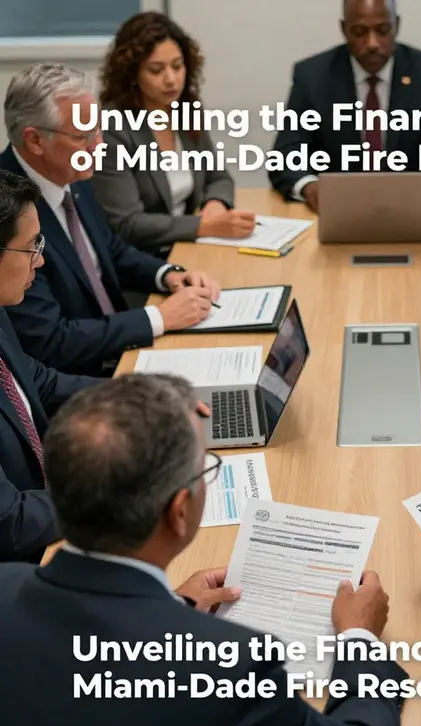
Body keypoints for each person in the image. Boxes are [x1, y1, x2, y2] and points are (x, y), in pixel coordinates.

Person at [0, 373, 406, 726]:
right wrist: (359, 639)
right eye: (204, 469)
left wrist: (175, 606)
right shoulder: (230, 667)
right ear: (179, 511)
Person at [0, 63, 222, 377]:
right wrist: (158, 318)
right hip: (79, 377)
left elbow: (109, 250)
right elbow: (51, 341)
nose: (98, 145)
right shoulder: (10, 211)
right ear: (36, 140)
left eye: (99, 130)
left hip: (122, 346)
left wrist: (168, 275)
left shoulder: (68, 171)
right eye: (83, 136)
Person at [269, 0, 421, 209]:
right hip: (338, 211)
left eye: (383, 30)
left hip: (411, 211)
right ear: (344, 29)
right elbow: (285, 157)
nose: (372, 43)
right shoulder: (312, 76)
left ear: (397, 25)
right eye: (359, 32)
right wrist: (309, 186)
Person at [93, 12, 256, 256]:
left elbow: (219, 177)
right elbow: (128, 223)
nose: (171, 79)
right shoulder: (112, 129)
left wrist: (216, 203)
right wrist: (204, 226)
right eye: (156, 70)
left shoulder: (185, 110)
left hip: (188, 245)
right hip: (144, 259)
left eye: (177, 66)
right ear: (132, 74)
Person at [0, 170, 102, 562]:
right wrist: (117, 492)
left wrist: (139, 396)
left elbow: (34, 381)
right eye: (30, 248)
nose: (40, 261)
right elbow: (10, 522)